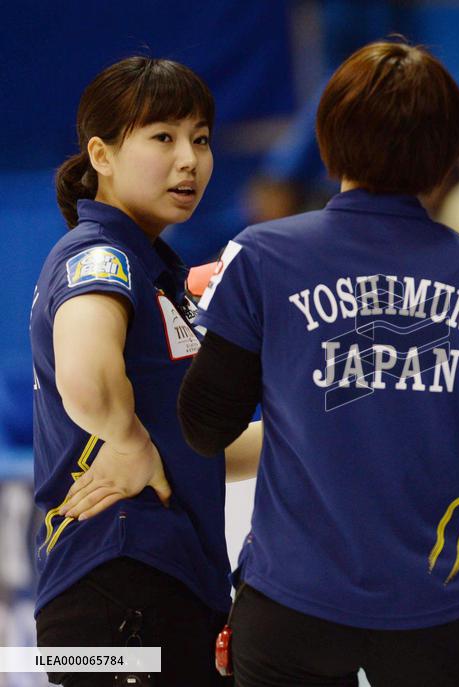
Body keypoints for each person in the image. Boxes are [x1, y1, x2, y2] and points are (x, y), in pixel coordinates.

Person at [176, 40, 459, 687]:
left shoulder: (260, 257)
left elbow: (204, 426)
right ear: (447, 150)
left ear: (328, 134)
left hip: (292, 600)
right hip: (438, 603)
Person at [30, 56, 260, 686]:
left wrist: (319, 432)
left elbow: (194, 441)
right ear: (101, 155)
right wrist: (128, 442)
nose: (189, 158)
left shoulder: (152, 269)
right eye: (163, 137)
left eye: (202, 139)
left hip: (163, 580)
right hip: (117, 581)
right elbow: (88, 378)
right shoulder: (99, 254)